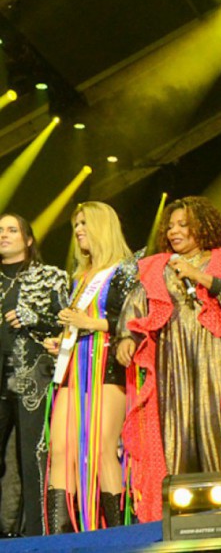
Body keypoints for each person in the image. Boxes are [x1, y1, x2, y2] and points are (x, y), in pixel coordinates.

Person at [115, 196, 221, 522]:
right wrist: (125, 338)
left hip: (217, 359)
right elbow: (134, 307)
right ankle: (184, 514)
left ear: (201, 226)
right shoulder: (156, 265)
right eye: (170, 226)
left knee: (218, 428)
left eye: (182, 225)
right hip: (173, 365)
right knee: (177, 434)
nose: (174, 231)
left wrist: (200, 276)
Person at [44, 203, 137, 533]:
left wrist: (90, 323)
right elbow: (80, 323)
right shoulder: (79, 278)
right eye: (76, 224)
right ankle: (57, 537)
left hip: (108, 367)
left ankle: (122, 533)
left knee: (101, 449)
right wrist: (62, 338)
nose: (78, 229)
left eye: (84, 222)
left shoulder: (125, 272)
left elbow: (134, 323)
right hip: (73, 368)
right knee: (60, 449)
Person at [0, 214, 69, 537]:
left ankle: (37, 533)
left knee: (33, 454)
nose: (3, 235)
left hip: (33, 375)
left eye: (11, 230)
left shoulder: (50, 276)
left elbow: (68, 323)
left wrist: (36, 318)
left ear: (28, 239)